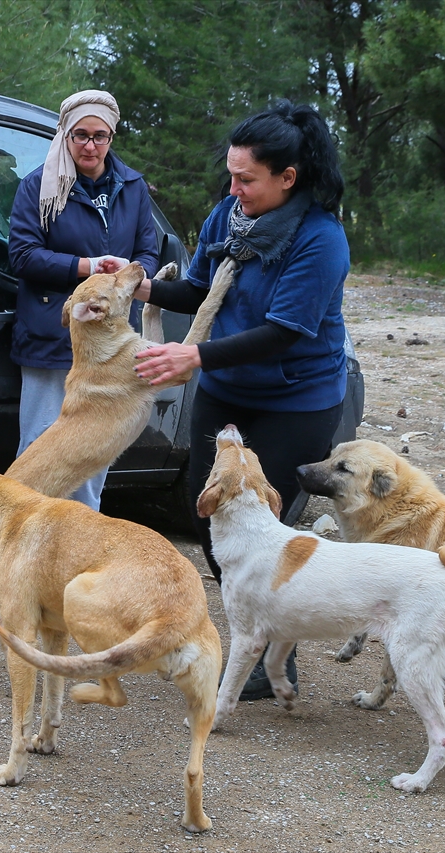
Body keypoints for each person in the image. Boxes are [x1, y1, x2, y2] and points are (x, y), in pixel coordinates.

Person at [133, 100, 350, 699]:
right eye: (230, 175)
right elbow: (200, 287)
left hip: (297, 400)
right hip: (229, 392)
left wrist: (193, 357)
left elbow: (284, 331)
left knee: (264, 532)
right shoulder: (228, 218)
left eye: (246, 179)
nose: (233, 189)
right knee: (211, 519)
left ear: (288, 177)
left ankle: (271, 658)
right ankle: (253, 637)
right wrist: (143, 285)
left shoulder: (320, 240)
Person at [7, 89, 159, 510]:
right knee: (40, 440)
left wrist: (129, 274)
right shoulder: (38, 185)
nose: (90, 146)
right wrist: (87, 267)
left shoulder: (132, 186)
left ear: (111, 136)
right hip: (50, 334)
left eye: (100, 136)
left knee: (94, 447)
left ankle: (79, 533)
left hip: (109, 343)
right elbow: (21, 255)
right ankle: (18, 532)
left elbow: (149, 252)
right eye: (80, 135)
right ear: (64, 134)